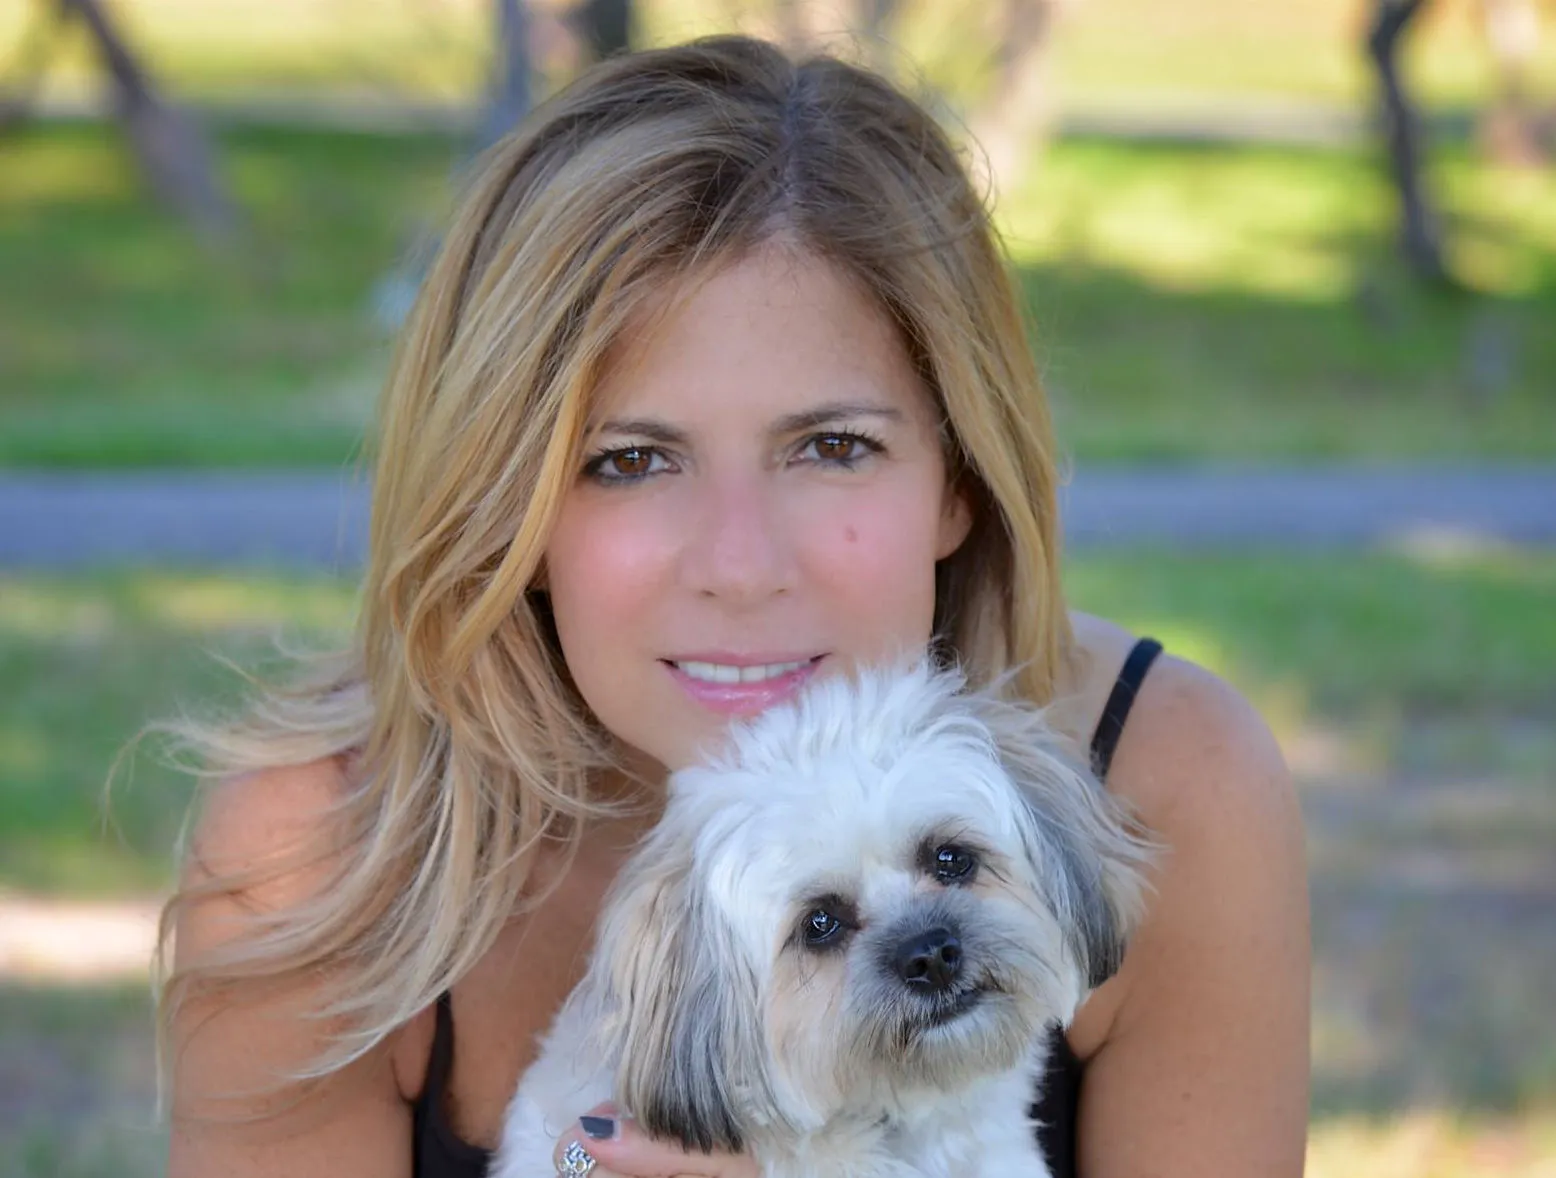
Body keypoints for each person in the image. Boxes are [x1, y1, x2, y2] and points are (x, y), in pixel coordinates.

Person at [158, 33, 1310, 1178]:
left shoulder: (1167, 780)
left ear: (958, 480)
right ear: (510, 512)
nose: (740, 563)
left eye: (829, 446)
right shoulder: (315, 858)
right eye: (630, 461)